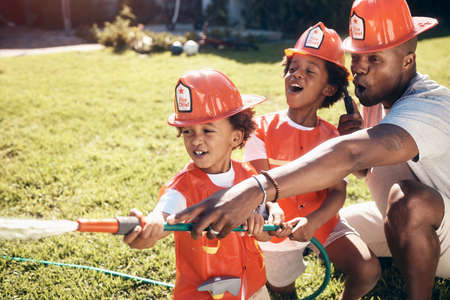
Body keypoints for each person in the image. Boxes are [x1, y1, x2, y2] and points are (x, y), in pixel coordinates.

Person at [167, 1, 450, 299]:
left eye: (375, 59)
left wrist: (255, 189)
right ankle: (406, 251)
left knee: (409, 200)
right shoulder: (377, 101)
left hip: (437, 225)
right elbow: (364, 168)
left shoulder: (432, 104)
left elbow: (352, 154)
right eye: (356, 56)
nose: (360, 68)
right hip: (404, 219)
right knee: (338, 228)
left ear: (407, 60)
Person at [242, 22, 380, 299]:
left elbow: (338, 193)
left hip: (321, 219)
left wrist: (315, 222)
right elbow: (259, 188)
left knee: (368, 271)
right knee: (283, 290)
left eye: (309, 71)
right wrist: (276, 218)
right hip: (274, 226)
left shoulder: (334, 138)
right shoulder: (260, 129)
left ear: (329, 89)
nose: (297, 75)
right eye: (293, 69)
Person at [124, 69, 282, 299]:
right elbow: (164, 213)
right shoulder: (182, 187)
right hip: (204, 293)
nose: (196, 140)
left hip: (253, 288)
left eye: (207, 130)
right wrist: (151, 227)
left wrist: (265, 224)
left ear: (236, 138)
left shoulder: (248, 177)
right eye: (188, 131)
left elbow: (266, 233)